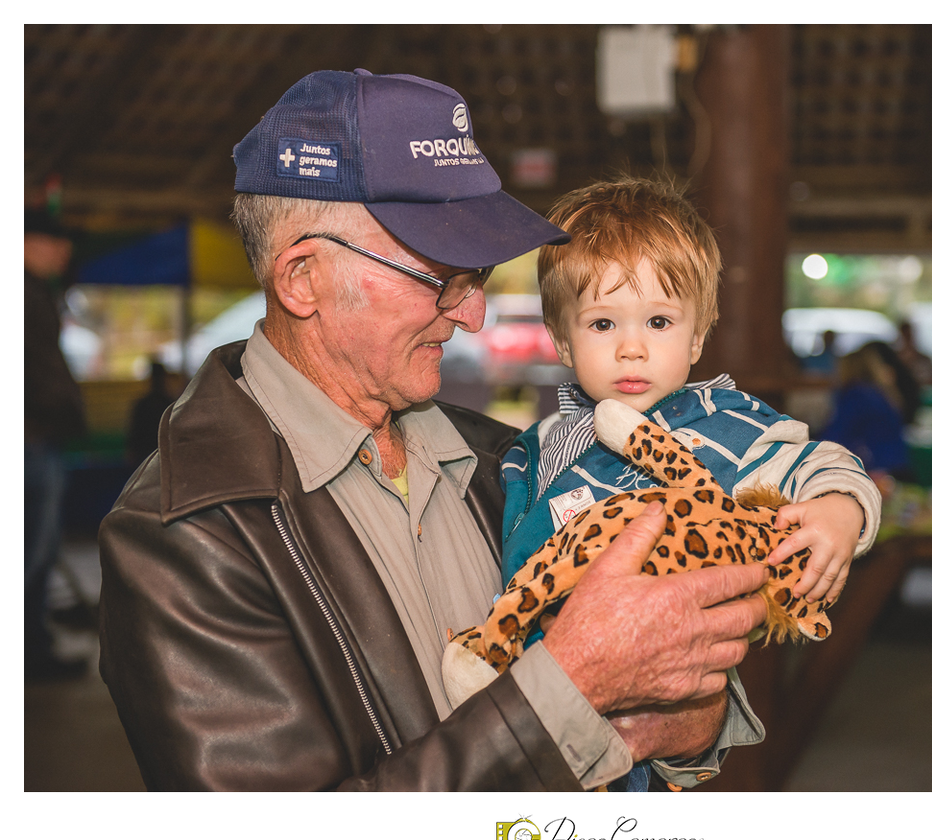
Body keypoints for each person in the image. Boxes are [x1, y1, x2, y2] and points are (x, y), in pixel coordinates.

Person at [96, 70, 768, 791]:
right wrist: (570, 687)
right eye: (439, 277)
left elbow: (659, 696)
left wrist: (695, 716)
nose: (472, 315)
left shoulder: (505, 459)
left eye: (475, 275)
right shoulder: (183, 534)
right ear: (302, 280)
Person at [499, 176, 882, 789]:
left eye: (658, 321)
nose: (631, 349)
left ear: (698, 335)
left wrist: (840, 510)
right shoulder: (532, 451)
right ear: (562, 339)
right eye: (602, 325)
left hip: (648, 712)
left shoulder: (723, 425)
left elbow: (820, 460)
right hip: (527, 707)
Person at [25, 208, 89, 681]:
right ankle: (30, 652)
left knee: (37, 551)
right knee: (32, 553)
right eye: (55, 242)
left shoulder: (38, 294)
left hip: (39, 437)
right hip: (30, 439)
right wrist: (65, 410)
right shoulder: (23, 293)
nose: (63, 253)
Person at [820, 345, 911, 478]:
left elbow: (837, 433)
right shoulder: (883, 393)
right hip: (898, 463)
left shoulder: (856, 394)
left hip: (877, 469)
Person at [124, 361, 176, 468]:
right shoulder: (169, 404)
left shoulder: (144, 404)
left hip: (147, 457)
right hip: (161, 456)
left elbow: (134, 432)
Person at [894, 319, 932, 389]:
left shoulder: (925, 360)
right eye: (905, 335)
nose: (908, 338)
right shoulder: (893, 360)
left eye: (909, 335)